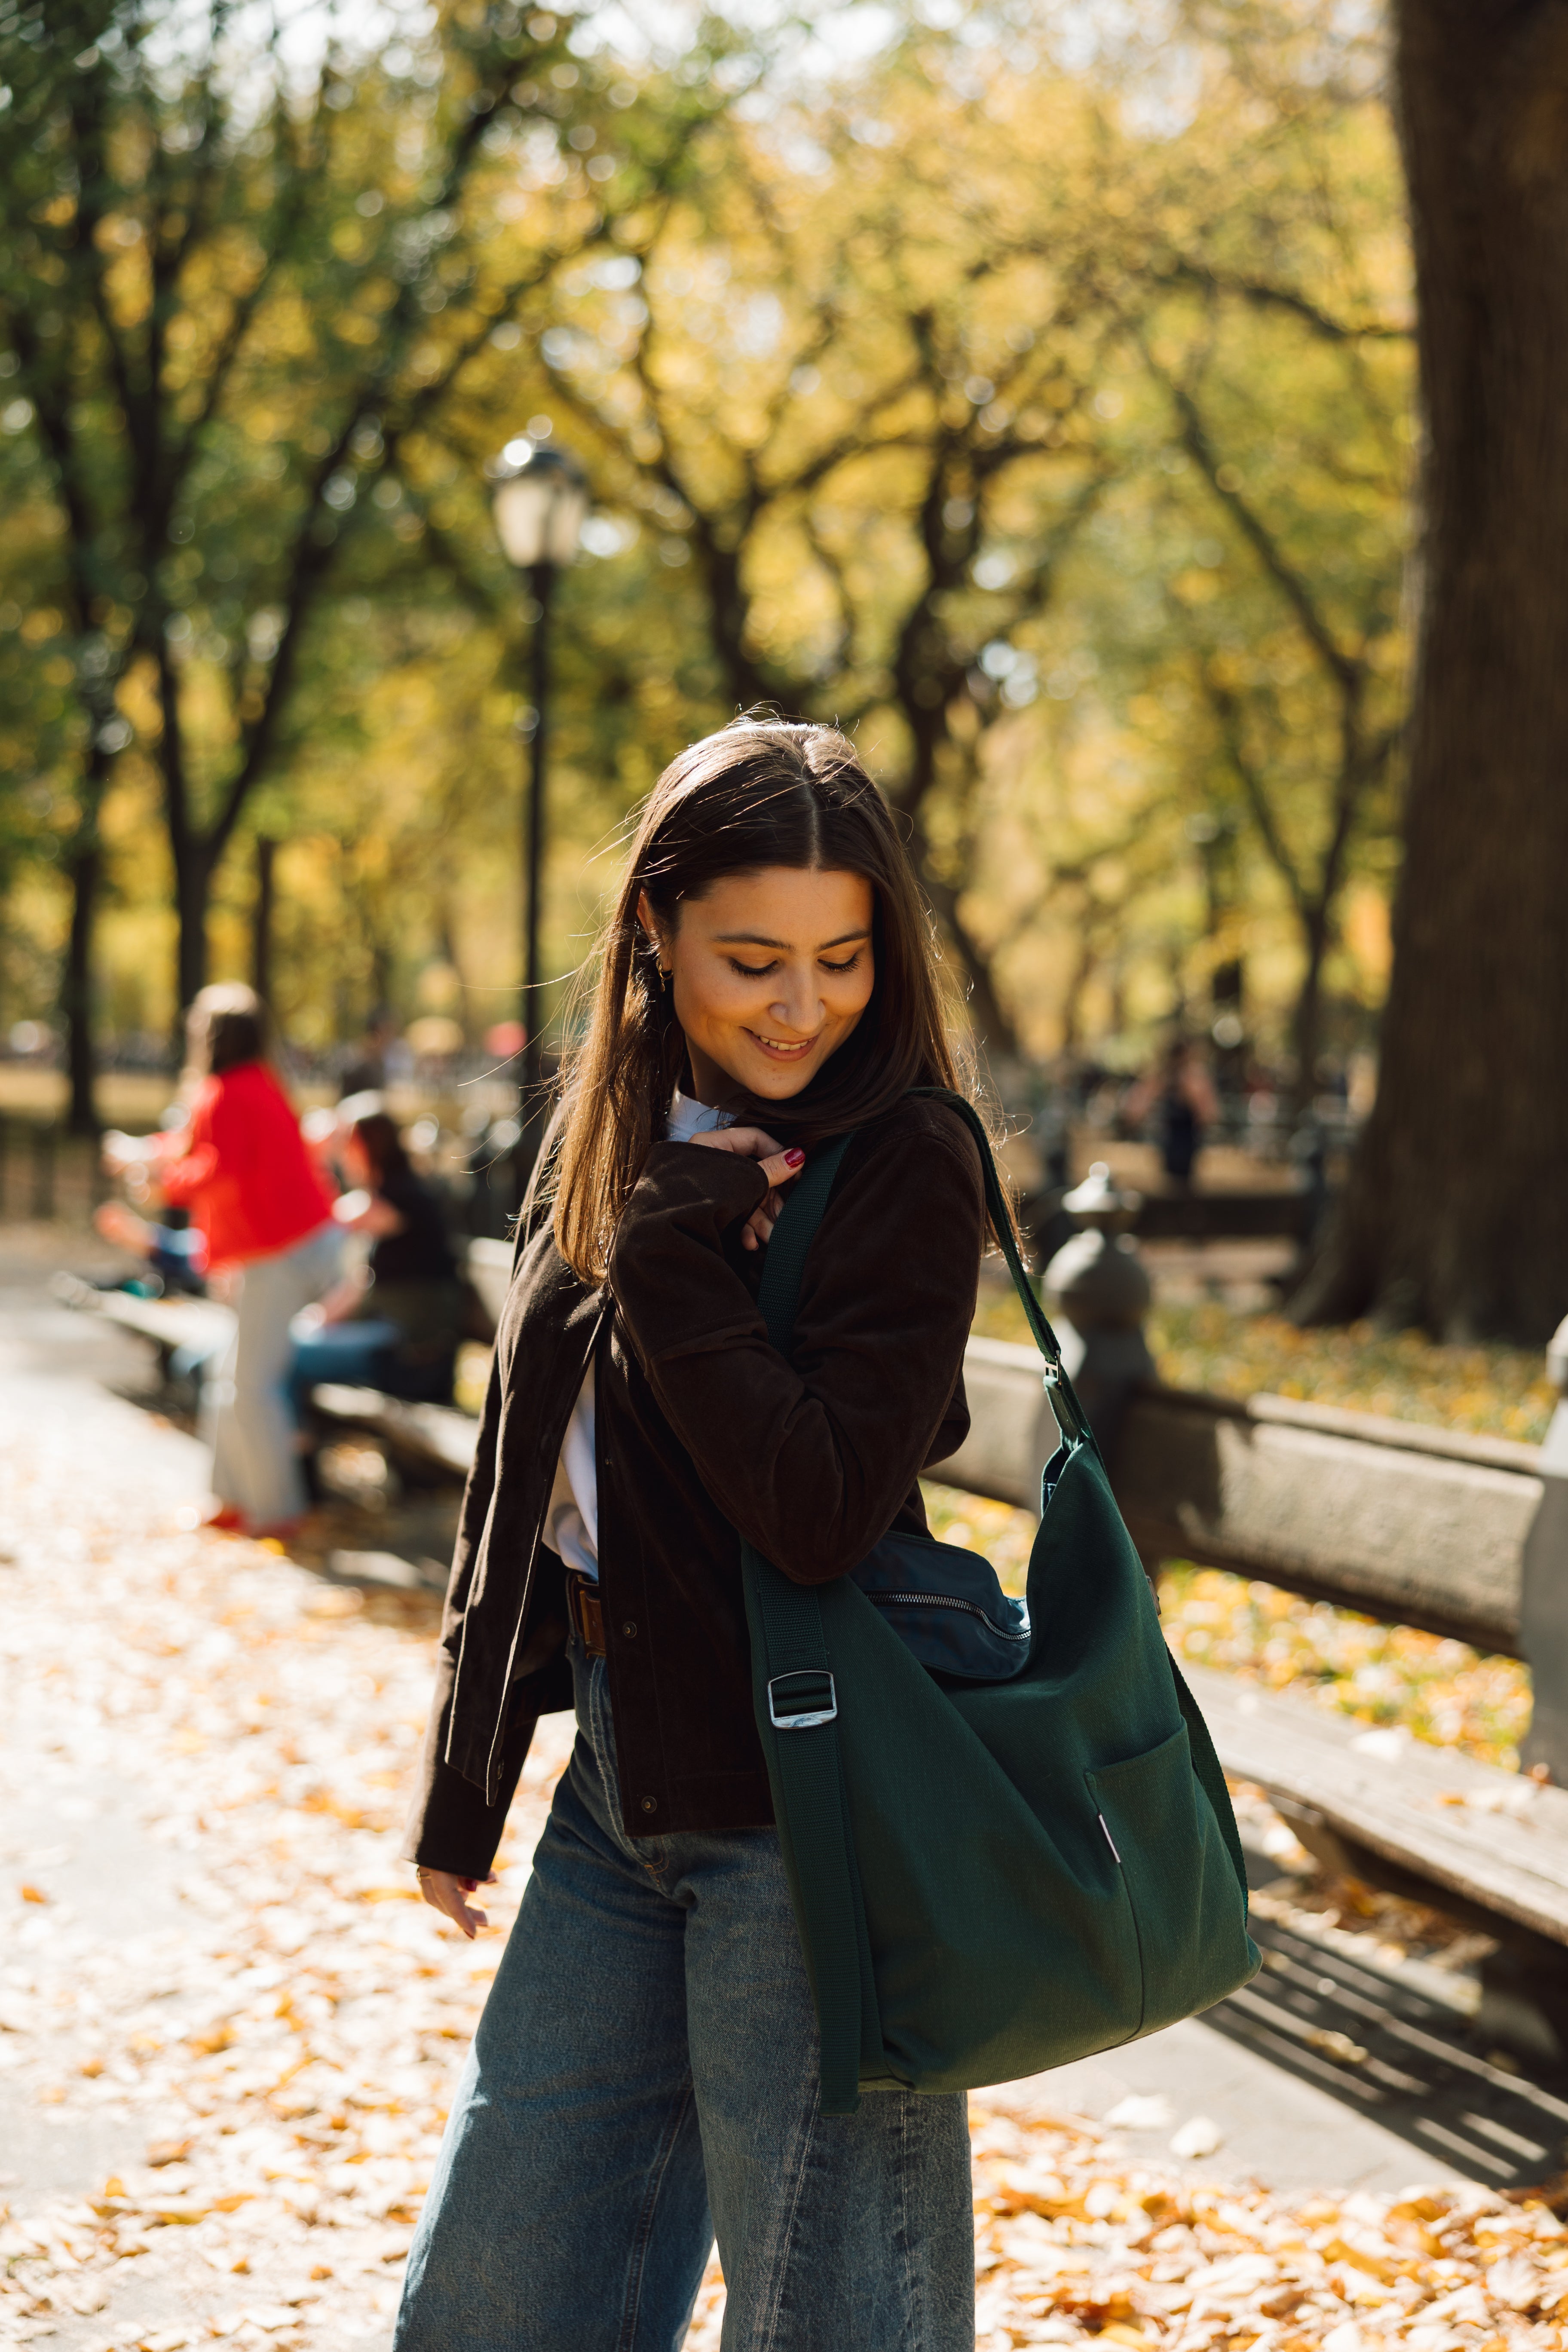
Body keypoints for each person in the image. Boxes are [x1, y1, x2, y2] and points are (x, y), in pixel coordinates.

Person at [394, 720, 989, 2352]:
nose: (801, 1005)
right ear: (651, 928)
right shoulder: (615, 1129)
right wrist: (468, 1769)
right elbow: (529, 1463)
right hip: (619, 1791)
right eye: (750, 958)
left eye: (840, 958)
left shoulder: (899, 1165)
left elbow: (814, 1510)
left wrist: (674, 1267)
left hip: (810, 1809)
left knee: (828, 2322)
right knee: (493, 2311)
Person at [103, 984, 339, 1538]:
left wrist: (157, 1177)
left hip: (276, 1255)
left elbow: (215, 1171)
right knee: (228, 1376)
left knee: (250, 1386)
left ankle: (278, 1509)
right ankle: (232, 1497)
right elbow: (196, 1147)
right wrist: (149, 1155)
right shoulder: (253, 1085)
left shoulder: (227, 1091)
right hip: (278, 1250)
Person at [287, 1099, 464, 1418]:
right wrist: (314, 1320)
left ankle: (299, 1452)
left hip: (414, 1356)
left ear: (368, 1145)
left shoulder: (399, 1198)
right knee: (288, 1348)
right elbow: (362, 1280)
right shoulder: (391, 1193)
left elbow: (323, 1221)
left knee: (287, 1356)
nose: (342, 1154)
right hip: (393, 1339)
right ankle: (299, 1446)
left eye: (347, 1143)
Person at [1124, 1034, 1219, 1188]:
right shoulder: (1164, 1077)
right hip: (1170, 1135)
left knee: (1185, 1179)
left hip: (1187, 1135)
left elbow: (1207, 1110)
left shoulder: (1193, 1077)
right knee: (1171, 1179)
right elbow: (1141, 1102)